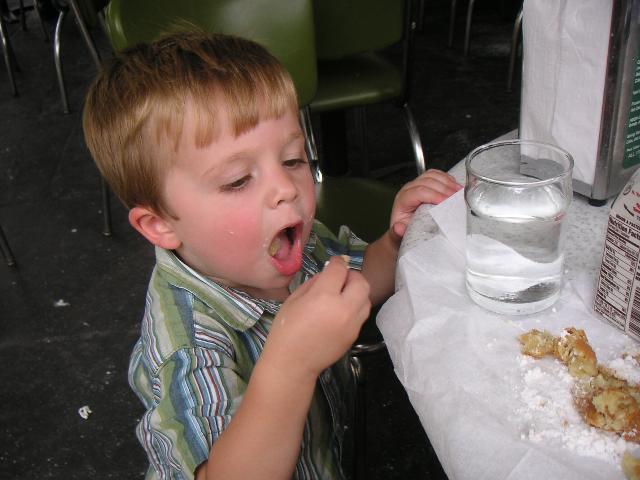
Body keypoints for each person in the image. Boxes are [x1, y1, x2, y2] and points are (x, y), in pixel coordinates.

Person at [82, 30, 461, 480]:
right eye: (238, 180)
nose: (286, 189)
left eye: (293, 159)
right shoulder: (187, 348)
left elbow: (360, 283)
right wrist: (289, 365)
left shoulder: (297, 242)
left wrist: (395, 243)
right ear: (160, 224)